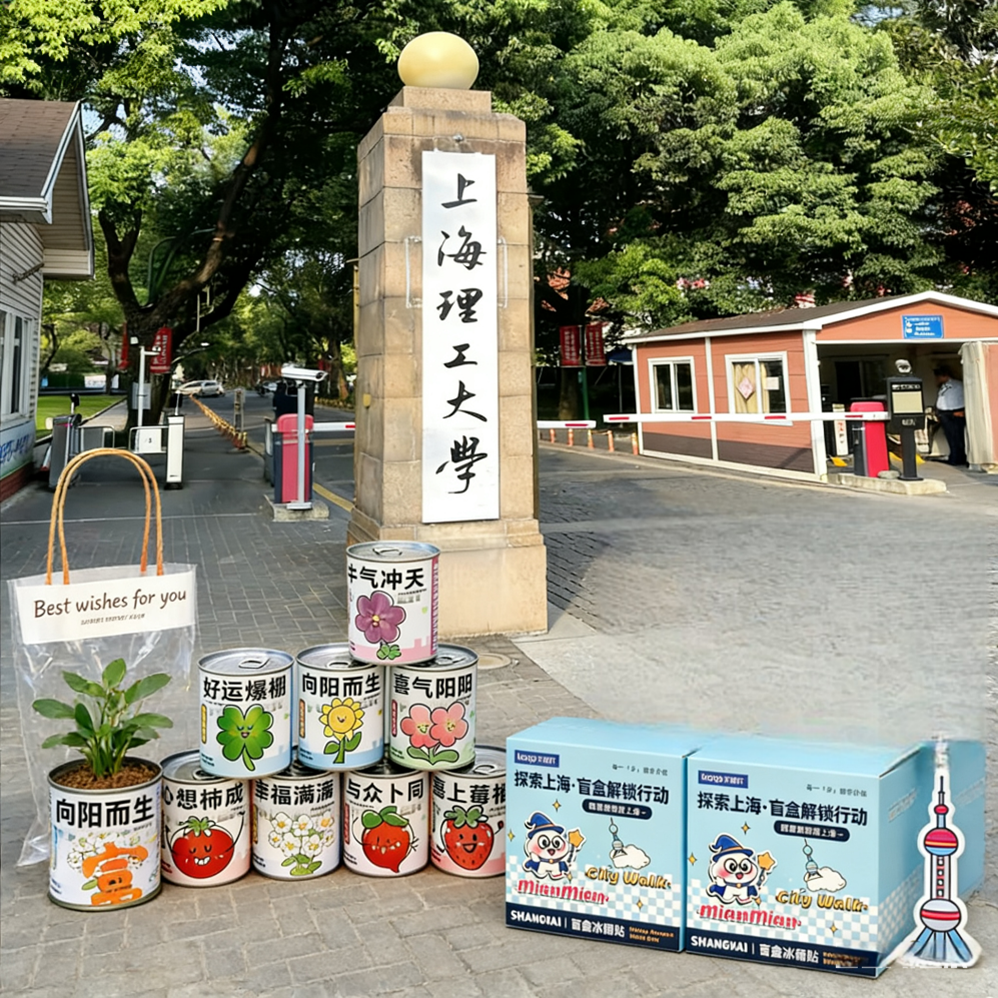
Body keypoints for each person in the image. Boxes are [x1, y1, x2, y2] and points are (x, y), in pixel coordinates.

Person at [933, 366, 967, 466]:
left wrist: (962, 410)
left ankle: (958, 458)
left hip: (954, 413)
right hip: (945, 413)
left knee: (956, 437)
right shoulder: (944, 386)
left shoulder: (956, 385)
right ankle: (954, 456)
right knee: (951, 437)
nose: (937, 379)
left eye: (938, 377)